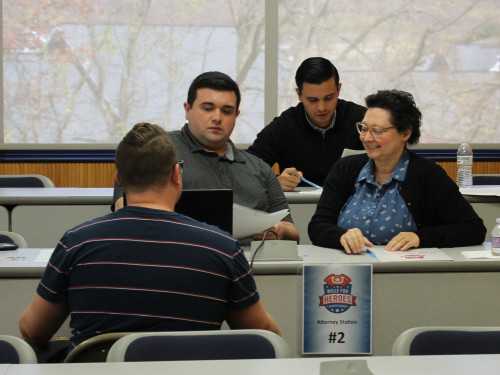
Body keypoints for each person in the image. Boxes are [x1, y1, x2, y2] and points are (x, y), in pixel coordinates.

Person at [19, 123, 281, 350]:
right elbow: (264, 337)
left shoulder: (76, 243)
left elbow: (32, 330)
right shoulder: (223, 249)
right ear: (176, 174)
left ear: (119, 178)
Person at [112, 71, 300, 242]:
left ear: (236, 115)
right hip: (177, 257)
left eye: (226, 111)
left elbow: (293, 232)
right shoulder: (156, 150)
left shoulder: (258, 168)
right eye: (208, 108)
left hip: (250, 265)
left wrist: (278, 230)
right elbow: (125, 208)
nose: (217, 118)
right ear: (187, 109)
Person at [308, 89, 486, 254]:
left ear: (405, 133)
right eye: (363, 128)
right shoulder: (345, 168)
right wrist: (340, 237)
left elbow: (473, 229)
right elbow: (317, 226)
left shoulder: (428, 175)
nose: (366, 138)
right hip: (350, 271)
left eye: (377, 131)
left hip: (406, 274)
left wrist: (419, 238)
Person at [247, 57, 366, 191]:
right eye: (313, 100)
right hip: (300, 207)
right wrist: (274, 182)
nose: (322, 107)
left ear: (338, 89)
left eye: (329, 98)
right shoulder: (284, 126)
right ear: (299, 94)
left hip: (353, 206)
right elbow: (247, 171)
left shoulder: (363, 121)